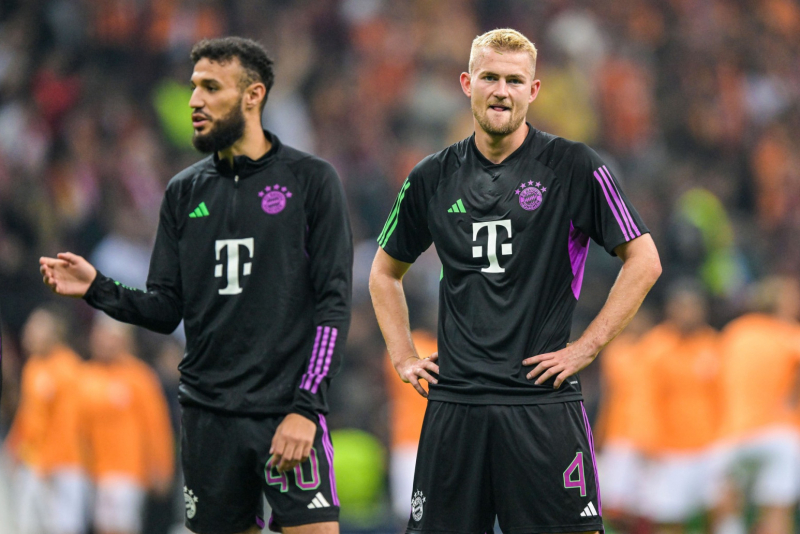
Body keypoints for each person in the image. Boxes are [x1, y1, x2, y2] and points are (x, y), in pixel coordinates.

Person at [39, 36, 353, 534]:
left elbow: (333, 305)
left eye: (210, 87)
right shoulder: (183, 192)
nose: (194, 101)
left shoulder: (311, 181)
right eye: (193, 87)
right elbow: (166, 309)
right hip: (208, 419)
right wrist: (98, 287)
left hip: (283, 411)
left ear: (252, 95)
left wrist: (306, 408)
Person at [369, 28, 661, 534]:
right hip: (456, 404)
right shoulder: (431, 177)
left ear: (533, 90)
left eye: (514, 80)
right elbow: (383, 272)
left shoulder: (573, 166)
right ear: (467, 83)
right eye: (489, 77)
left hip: (540, 403)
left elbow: (644, 259)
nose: (501, 91)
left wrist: (587, 347)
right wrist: (403, 355)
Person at [713, 276, 800, 534]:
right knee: (776, 510)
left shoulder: (735, 332)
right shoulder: (791, 334)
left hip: (734, 433)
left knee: (729, 500)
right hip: (779, 433)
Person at [638, 285, 721, 534]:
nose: (688, 313)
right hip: (668, 450)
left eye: (693, 307)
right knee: (669, 518)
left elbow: (725, 395)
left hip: (710, 446)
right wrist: (647, 442)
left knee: (718, 513)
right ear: (670, 310)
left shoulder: (713, 344)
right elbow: (643, 399)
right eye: (682, 307)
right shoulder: (655, 346)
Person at [79, 316, 174, 534]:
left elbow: (156, 426)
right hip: (93, 471)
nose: (104, 342)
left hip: (127, 469)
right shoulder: (86, 375)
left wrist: (161, 466)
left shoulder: (138, 376)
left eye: (110, 337)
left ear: (124, 340)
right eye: (100, 336)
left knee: (122, 528)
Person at [5, 306, 88, 534]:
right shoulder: (32, 366)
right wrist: (12, 447)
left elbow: (67, 423)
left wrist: (49, 462)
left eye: (35, 328)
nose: (28, 333)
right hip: (34, 461)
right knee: (29, 526)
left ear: (55, 333)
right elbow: (27, 415)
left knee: (63, 527)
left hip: (63, 465)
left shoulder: (68, 368)